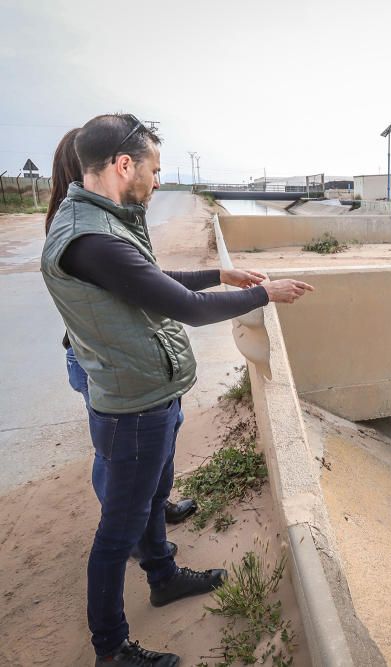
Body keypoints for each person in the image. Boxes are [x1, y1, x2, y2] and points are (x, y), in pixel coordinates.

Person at [41, 113, 314, 666]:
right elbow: (183, 308)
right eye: (154, 168)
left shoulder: (104, 220)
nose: (158, 180)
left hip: (150, 391)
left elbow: (151, 283)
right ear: (123, 165)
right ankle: (111, 648)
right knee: (116, 533)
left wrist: (221, 275)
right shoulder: (91, 238)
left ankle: (163, 576)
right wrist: (267, 294)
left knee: (151, 496)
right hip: (131, 407)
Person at [48, 129, 197, 546]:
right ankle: (131, 528)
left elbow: (147, 281)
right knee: (117, 458)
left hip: (129, 354)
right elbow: (174, 301)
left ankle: (149, 514)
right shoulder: (86, 231)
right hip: (103, 357)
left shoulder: (112, 216)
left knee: (150, 451)